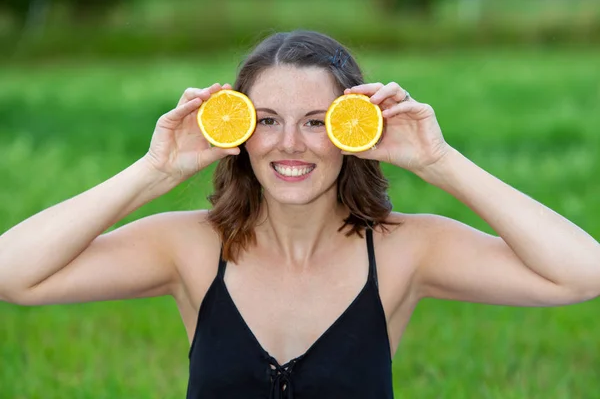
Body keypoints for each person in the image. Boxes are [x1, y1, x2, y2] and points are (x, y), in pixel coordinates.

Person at [0, 29, 598, 399]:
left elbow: (582, 273)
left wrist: (439, 161)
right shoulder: (188, 248)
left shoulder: (404, 252)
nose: (290, 143)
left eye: (316, 122)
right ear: (236, 130)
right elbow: (13, 274)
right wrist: (153, 173)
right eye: (266, 121)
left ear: (353, 131)